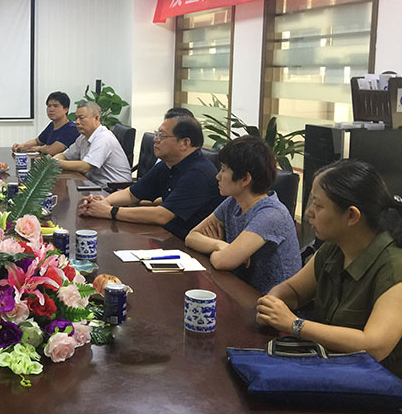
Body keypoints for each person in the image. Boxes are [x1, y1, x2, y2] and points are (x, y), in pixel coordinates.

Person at [256, 160, 402, 377]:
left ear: (352, 215)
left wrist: (294, 324)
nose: (309, 212)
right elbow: (294, 291)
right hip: (331, 369)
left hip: (379, 384)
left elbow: (374, 346)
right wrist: (272, 304)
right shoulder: (334, 248)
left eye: (318, 205)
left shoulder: (393, 266)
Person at [185, 136, 301, 294]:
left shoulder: (271, 214)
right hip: (238, 290)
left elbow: (223, 261)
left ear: (245, 179)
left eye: (223, 170)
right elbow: (192, 236)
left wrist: (223, 252)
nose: (218, 176)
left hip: (270, 301)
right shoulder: (233, 202)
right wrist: (220, 245)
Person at [79, 115, 222, 239]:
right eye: (156, 134)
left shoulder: (198, 173)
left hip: (189, 245)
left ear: (185, 143)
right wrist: (104, 202)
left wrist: (110, 211)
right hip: (166, 235)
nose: (155, 140)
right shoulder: (167, 164)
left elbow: (162, 215)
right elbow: (131, 194)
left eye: (162, 136)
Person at [54, 101, 132, 187]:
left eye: (81, 118)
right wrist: (52, 160)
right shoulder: (83, 137)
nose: (77, 122)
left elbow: (85, 167)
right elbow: (65, 155)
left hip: (114, 188)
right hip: (95, 184)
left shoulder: (103, 137)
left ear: (96, 118)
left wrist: (56, 163)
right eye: (76, 118)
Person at [12, 91, 79, 156]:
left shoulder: (72, 129)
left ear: (66, 109)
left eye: (55, 106)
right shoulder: (52, 125)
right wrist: (22, 146)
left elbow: (52, 150)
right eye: (49, 106)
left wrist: (38, 148)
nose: (51, 109)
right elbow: (37, 141)